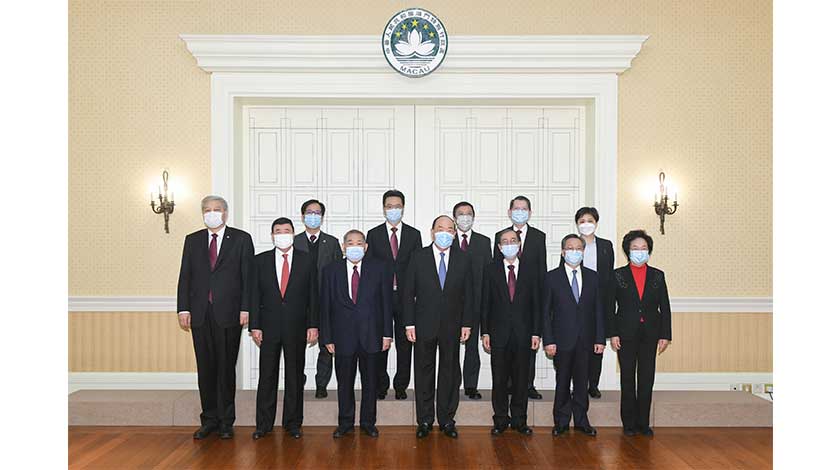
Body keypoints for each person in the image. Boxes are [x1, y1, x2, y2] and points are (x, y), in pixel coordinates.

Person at [177, 196, 254, 440]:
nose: (212, 213)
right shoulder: (192, 240)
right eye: (207, 210)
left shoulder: (241, 239)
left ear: (225, 213)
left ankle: (226, 422)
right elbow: (185, 276)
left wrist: (246, 308)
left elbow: (248, 277)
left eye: (217, 209)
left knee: (225, 369)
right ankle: (208, 420)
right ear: (202, 213)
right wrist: (183, 309)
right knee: (206, 369)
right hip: (200, 314)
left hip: (229, 314)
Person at [404, 216, 473, 439]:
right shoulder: (418, 256)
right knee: (423, 371)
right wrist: (409, 323)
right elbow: (408, 293)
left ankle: (447, 419)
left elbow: (469, 294)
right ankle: (424, 420)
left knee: (450, 372)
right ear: (432, 232)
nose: (445, 233)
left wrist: (467, 323)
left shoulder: (464, 258)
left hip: (453, 325)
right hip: (423, 324)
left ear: (454, 233)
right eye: (440, 228)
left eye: (449, 229)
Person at [249, 217, 319, 440]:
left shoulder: (307, 260)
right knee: (267, 376)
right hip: (268, 327)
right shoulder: (260, 261)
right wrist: (255, 325)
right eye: (278, 231)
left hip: (297, 326)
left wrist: (313, 325)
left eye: (286, 230)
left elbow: (313, 296)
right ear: (272, 236)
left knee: (294, 376)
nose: (282, 234)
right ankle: (263, 424)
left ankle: (293, 423)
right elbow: (254, 295)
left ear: (293, 233)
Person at [319, 230, 393, 438]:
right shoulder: (330, 270)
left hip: (372, 335)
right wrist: (327, 337)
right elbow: (325, 306)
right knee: (344, 383)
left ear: (366, 247)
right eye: (350, 243)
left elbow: (386, 303)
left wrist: (387, 334)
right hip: (342, 337)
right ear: (343, 247)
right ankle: (345, 423)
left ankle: (368, 422)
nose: (355, 247)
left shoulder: (379, 269)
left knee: (370, 383)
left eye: (359, 243)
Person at [608, 229, 672, 437]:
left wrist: (665, 335)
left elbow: (665, 307)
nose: (639, 251)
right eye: (635, 248)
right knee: (627, 379)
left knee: (646, 379)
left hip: (650, 334)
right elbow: (610, 307)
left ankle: (643, 423)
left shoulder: (657, 275)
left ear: (649, 251)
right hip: (625, 333)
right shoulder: (617, 275)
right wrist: (613, 333)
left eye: (643, 248)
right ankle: (628, 424)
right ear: (628, 250)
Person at [543, 234, 604, 437]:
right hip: (561, 341)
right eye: (570, 248)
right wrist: (548, 340)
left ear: (583, 252)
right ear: (563, 252)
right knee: (562, 381)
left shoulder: (593, 277)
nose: (574, 252)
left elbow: (598, 310)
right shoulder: (551, 277)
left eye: (578, 248)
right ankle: (561, 421)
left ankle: (581, 420)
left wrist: (599, 338)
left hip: (586, 339)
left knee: (582, 382)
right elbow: (546, 313)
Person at [481, 229, 540, 436]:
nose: (509, 244)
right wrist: (485, 332)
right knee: (499, 380)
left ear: (519, 244)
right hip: (498, 334)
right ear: (499, 247)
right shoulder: (490, 270)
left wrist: (536, 333)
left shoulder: (531, 269)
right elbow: (485, 303)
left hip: (524, 334)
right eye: (504, 242)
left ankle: (519, 420)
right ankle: (500, 420)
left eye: (513, 240)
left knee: (521, 380)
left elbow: (537, 304)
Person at [365, 190, 422, 400]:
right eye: (389, 206)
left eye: (397, 206)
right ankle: (381, 384)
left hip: (406, 298)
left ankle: (400, 385)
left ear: (403, 208)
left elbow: (419, 268)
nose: (393, 210)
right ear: (384, 209)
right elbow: (369, 268)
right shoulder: (373, 234)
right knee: (381, 342)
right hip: (381, 298)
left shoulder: (414, 234)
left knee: (405, 345)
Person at [493, 195, 547, 399]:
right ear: (509, 212)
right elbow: (496, 270)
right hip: (505, 302)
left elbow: (541, 269)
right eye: (516, 208)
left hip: (528, 300)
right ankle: (508, 385)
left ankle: (528, 384)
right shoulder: (500, 236)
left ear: (530, 213)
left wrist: (540, 299)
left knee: (528, 348)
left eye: (524, 209)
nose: (520, 212)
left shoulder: (539, 237)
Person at [294, 199, 343, 399]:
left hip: (326, 302)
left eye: (317, 212)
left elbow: (340, 273)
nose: (313, 216)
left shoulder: (331, 242)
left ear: (322, 217)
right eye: (309, 212)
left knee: (326, 345)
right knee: (296, 344)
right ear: (302, 216)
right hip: (299, 302)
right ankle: (298, 380)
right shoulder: (293, 241)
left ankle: (321, 383)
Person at [574, 207, 615, 399]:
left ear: (596, 223)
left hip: (600, 302)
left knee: (597, 345)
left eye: (589, 220)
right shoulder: (572, 244)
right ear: (577, 224)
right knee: (577, 345)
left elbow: (610, 275)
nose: (586, 224)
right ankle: (578, 384)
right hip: (577, 302)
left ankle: (593, 384)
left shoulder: (606, 245)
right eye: (582, 221)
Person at [453, 201, 492, 400]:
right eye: (460, 213)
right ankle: (452, 385)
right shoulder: (446, 240)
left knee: (472, 348)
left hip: (476, 303)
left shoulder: (483, 242)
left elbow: (489, 274)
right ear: (454, 218)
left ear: (474, 217)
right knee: (450, 348)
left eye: (468, 213)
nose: (465, 217)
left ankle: (470, 385)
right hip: (451, 304)